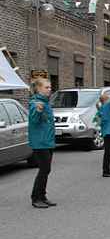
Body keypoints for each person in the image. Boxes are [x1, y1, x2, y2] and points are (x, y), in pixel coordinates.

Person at [28, 78, 56, 209]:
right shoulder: (36, 103)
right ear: (39, 89)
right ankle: (35, 198)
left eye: (50, 87)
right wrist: (38, 111)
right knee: (44, 169)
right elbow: (34, 121)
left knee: (46, 170)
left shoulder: (46, 103)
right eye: (46, 87)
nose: (49, 89)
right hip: (40, 142)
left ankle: (42, 196)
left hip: (48, 142)